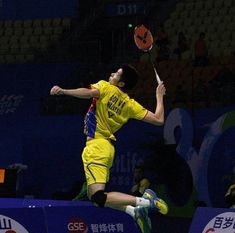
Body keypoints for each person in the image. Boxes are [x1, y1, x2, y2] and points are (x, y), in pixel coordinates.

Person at [50, 64, 168, 233]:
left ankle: (147, 202)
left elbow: (88, 92)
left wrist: (64, 91)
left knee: (98, 196)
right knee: (94, 197)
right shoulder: (129, 104)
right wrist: (159, 95)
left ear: (121, 84)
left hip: (96, 147)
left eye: (116, 74)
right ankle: (133, 212)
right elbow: (158, 119)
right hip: (106, 148)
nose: (111, 74)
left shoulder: (105, 87)